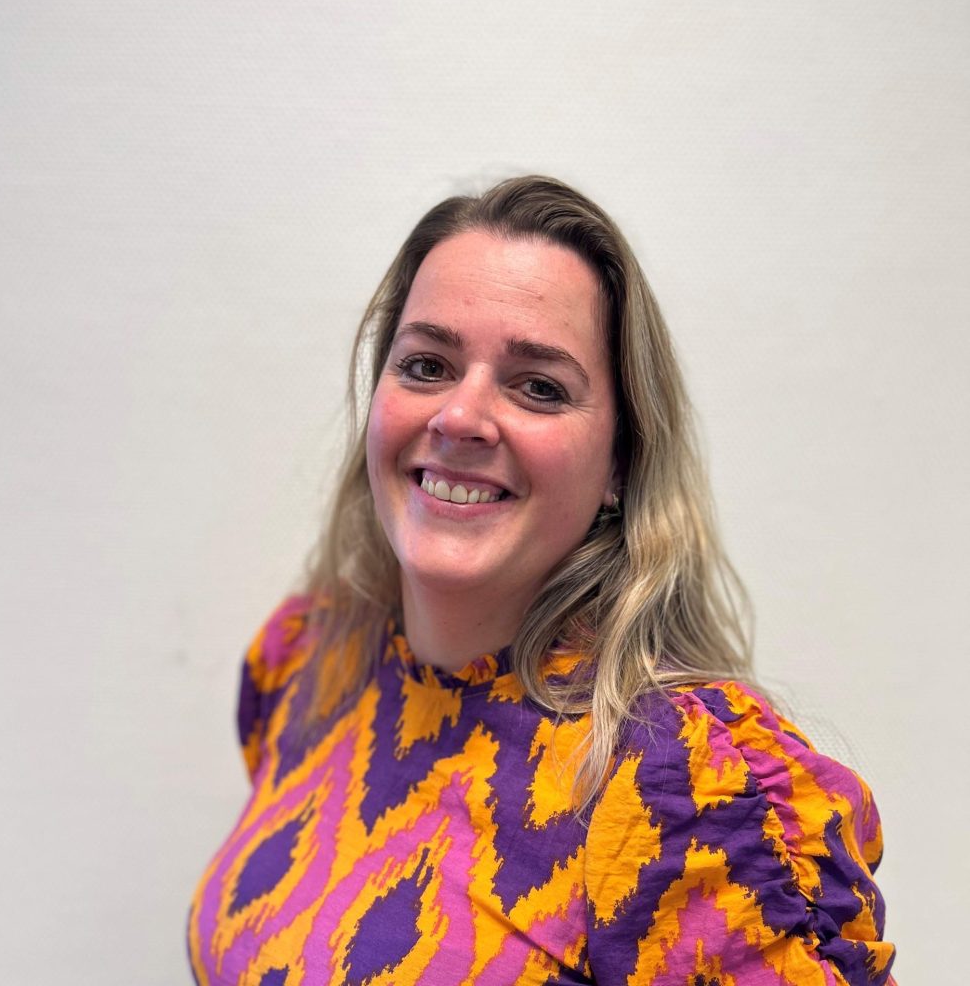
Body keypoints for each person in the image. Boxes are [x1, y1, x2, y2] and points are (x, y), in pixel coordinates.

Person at [187, 176, 896, 985]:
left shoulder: (683, 790)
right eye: (426, 365)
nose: (459, 417)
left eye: (539, 387)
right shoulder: (310, 663)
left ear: (620, 464)